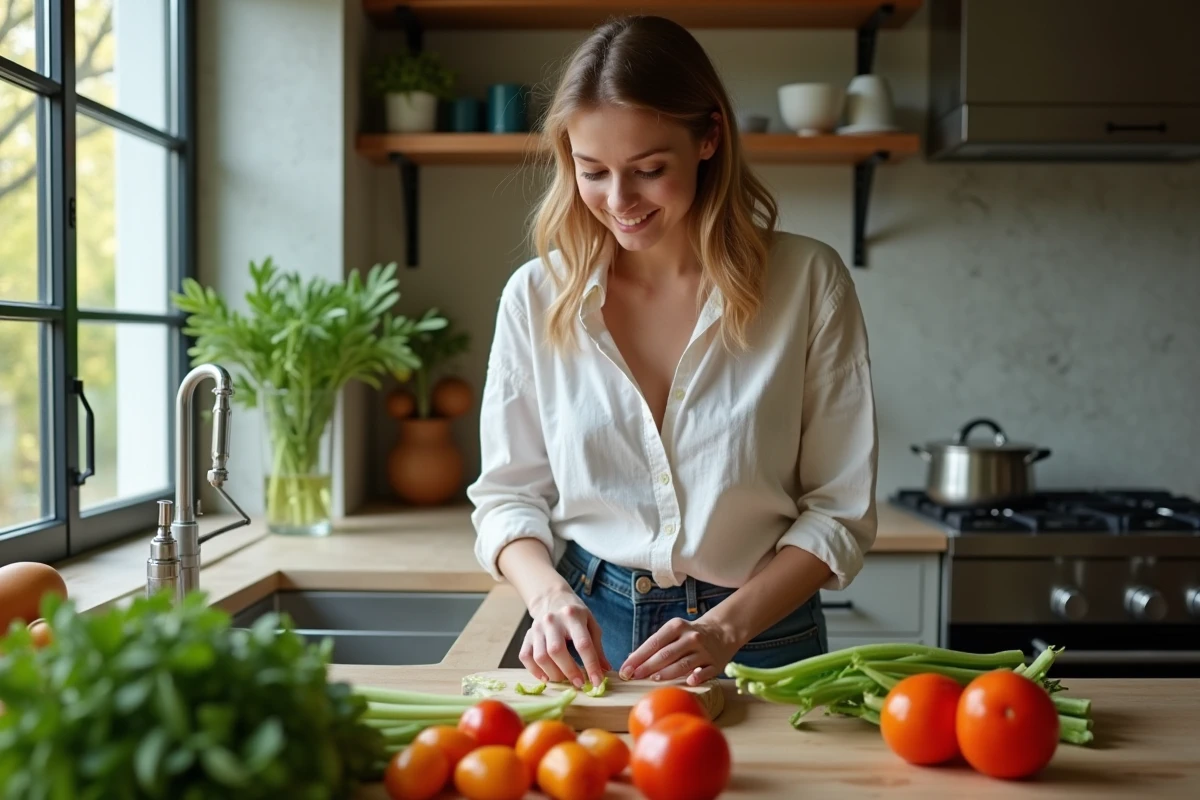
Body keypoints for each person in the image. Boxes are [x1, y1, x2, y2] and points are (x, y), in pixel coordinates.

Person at [467, 15, 878, 691]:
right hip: (586, 632)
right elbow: (509, 497)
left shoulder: (808, 281)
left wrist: (726, 628)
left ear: (709, 137)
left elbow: (839, 512)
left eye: (649, 170)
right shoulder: (536, 296)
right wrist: (545, 598)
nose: (619, 201)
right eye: (592, 171)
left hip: (763, 632)